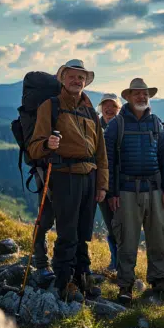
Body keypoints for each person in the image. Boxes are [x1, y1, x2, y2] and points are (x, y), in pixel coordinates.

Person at [28, 59, 108, 301]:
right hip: (64, 176)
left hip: (89, 176)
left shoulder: (90, 111)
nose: (77, 81)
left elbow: (101, 152)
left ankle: (83, 276)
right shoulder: (50, 106)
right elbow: (34, 148)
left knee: (84, 231)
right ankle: (65, 282)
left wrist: (102, 184)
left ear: (85, 82)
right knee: (67, 232)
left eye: (81, 78)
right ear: (62, 79)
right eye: (72, 76)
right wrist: (46, 144)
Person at [104, 78, 164, 305]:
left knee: (159, 237)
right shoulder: (116, 125)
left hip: (155, 190)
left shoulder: (156, 124)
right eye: (137, 94)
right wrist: (111, 193)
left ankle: (160, 280)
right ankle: (125, 285)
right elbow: (108, 160)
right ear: (127, 97)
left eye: (145, 94)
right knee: (127, 239)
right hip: (125, 191)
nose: (141, 97)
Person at [96, 93, 122, 272]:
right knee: (110, 223)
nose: (109, 109)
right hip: (101, 184)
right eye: (105, 106)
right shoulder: (95, 126)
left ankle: (123, 263)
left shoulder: (123, 126)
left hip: (122, 184)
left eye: (113, 106)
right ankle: (115, 262)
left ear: (118, 108)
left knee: (123, 225)